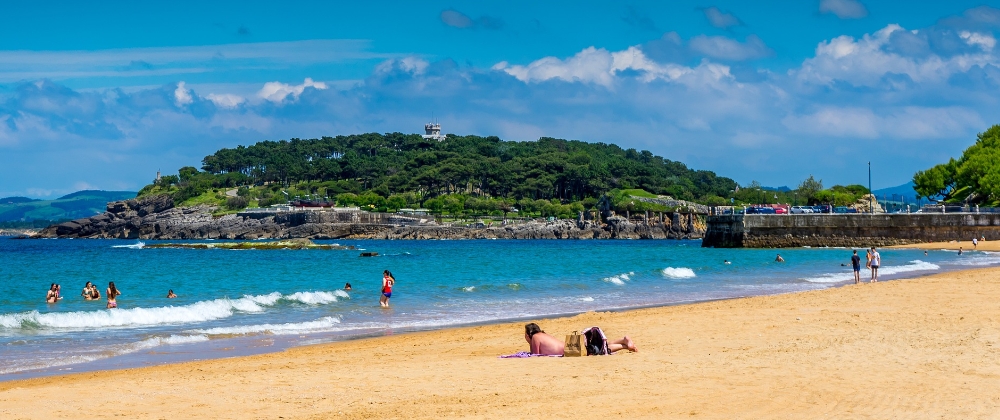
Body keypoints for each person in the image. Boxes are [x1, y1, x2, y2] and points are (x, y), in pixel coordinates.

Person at [524, 323, 638, 355]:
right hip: (569, 344)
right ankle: (623, 340)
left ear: (528, 333)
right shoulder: (542, 334)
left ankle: (624, 345)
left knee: (601, 350)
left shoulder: (534, 337)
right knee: (599, 346)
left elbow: (535, 355)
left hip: (569, 349)